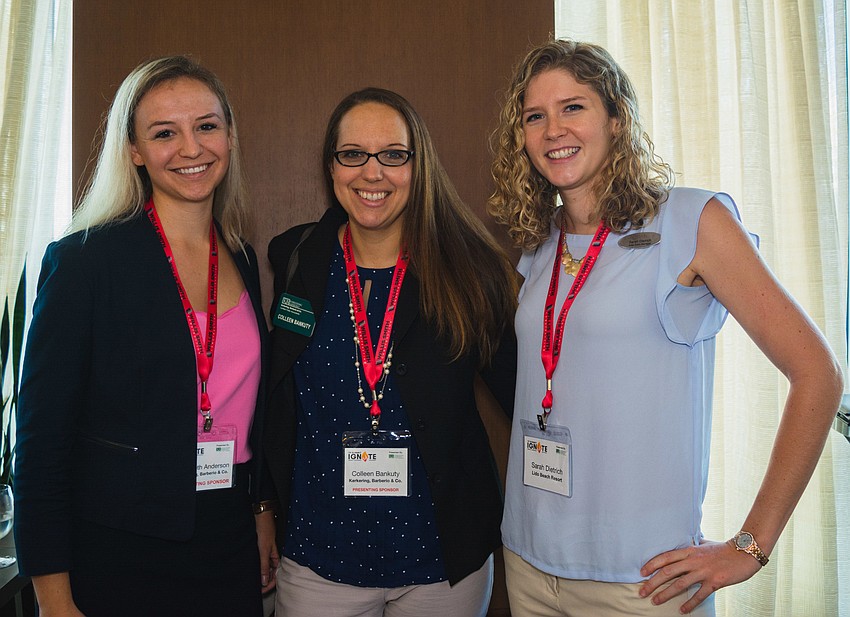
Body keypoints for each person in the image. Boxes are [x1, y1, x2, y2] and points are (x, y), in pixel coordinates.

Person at [488, 39, 843, 616]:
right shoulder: (539, 241)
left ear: (616, 118)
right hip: (530, 564)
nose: (553, 129)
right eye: (535, 116)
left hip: (644, 581)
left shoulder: (692, 220)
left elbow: (818, 375)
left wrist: (749, 547)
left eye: (573, 107)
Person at [14, 56, 278, 616]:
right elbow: (41, 447)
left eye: (206, 126)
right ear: (134, 150)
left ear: (229, 134)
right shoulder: (85, 263)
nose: (191, 148)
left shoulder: (242, 256)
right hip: (119, 554)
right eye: (165, 133)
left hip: (226, 543)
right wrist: (54, 600)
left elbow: (245, 410)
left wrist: (259, 510)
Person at [264, 87, 517, 617]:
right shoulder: (296, 258)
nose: (372, 173)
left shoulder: (470, 271)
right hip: (318, 561)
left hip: (442, 567)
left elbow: (525, 398)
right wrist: (262, 505)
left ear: (417, 164)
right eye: (353, 154)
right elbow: (271, 396)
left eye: (393, 155)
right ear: (331, 168)